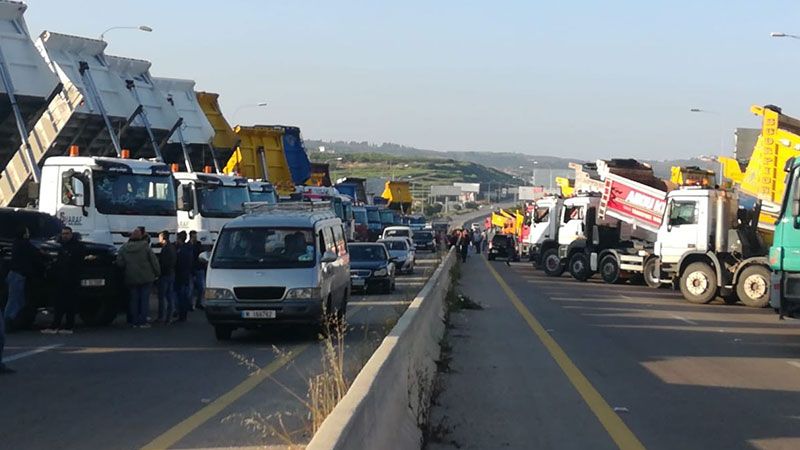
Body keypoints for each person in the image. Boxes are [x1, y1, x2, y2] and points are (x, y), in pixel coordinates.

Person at [42, 227, 90, 334]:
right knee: (59, 303)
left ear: (72, 234)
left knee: (70, 304)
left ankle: (68, 326)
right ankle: (56, 324)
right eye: (63, 234)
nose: (65, 235)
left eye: (67, 233)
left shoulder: (78, 246)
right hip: (60, 279)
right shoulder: (59, 246)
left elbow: (77, 262)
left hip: (72, 279)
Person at [116, 227, 160, 328]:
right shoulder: (145, 247)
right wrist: (157, 273)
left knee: (133, 300)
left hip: (131, 276)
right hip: (146, 277)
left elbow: (120, 262)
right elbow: (154, 261)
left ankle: (134, 321)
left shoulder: (124, 247)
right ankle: (143, 321)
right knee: (144, 300)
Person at [5, 226, 40, 331]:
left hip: (14, 274)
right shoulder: (24, 244)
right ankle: (7, 322)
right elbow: (35, 252)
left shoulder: (16, 243)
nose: (28, 234)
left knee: (18, 300)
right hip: (18, 275)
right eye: (27, 232)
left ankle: (11, 321)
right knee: (15, 301)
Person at [156, 230, 176, 324]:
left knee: (162, 297)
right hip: (171, 273)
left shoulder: (165, 249)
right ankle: (169, 316)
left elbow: (163, 263)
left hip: (164, 275)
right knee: (169, 296)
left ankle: (162, 316)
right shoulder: (172, 247)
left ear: (163, 238)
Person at [173, 231, 194, 322]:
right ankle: (183, 314)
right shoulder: (187, 249)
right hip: (186, 274)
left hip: (180, 275)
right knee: (184, 295)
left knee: (180, 296)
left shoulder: (181, 250)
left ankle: (181, 314)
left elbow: (178, 264)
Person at [189, 231, 205, 311]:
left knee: (201, 288)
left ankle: (199, 303)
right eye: (193, 237)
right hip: (191, 269)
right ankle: (191, 304)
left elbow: (201, 254)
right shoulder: (188, 245)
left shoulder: (199, 244)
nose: (195, 238)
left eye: (195, 236)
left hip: (199, 268)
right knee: (190, 289)